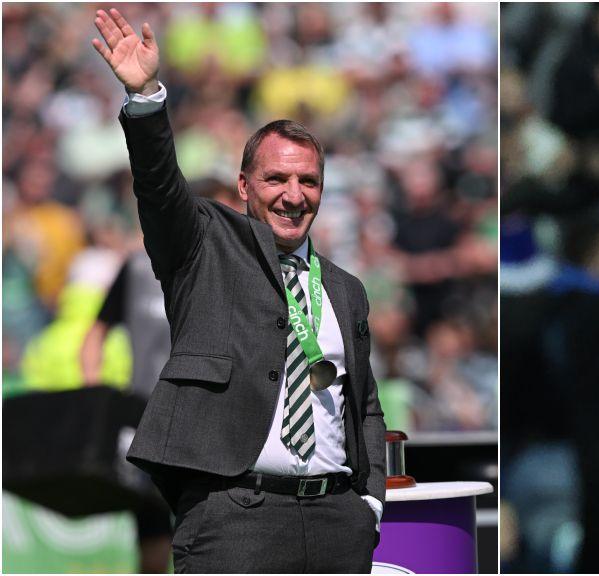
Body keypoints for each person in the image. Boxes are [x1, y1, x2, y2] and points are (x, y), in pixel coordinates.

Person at [91, 8, 385, 573]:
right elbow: (158, 186)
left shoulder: (346, 290)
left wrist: (368, 502)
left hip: (338, 525)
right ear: (245, 186)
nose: (293, 195)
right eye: (276, 179)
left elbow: (364, 403)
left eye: (308, 181)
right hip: (234, 518)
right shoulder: (203, 249)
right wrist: (146, 97)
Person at [79, 179, 243, 573]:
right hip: (147, 417)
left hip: (210, 418)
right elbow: (94, 335)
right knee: (152, 535)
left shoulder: (236, 269)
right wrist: (95, 394)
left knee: (207, 533)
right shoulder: (137, 266)